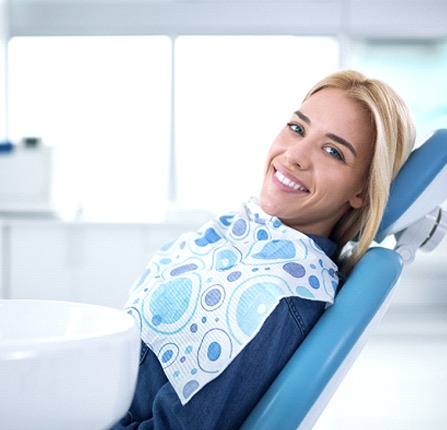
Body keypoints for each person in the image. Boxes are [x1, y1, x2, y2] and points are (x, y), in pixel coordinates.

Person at [110, 70, 416, 429]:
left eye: (333, 151)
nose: (294, 155)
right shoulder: (243, 236)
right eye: (297, 128)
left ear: (362, 191)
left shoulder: (276, 299)